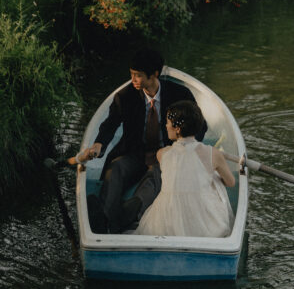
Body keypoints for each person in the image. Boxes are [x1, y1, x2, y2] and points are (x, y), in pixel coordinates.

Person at [78, 47, 203, 233]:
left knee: (155, 176)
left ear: (154, 74)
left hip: (166, 154)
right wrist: (98, 144)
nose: (133, 80)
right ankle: (105, 217)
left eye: (138, 75)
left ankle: (132, 213)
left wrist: (185, 150)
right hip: (134, 153)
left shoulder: (180, 95)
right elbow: (111, 123)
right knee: (116, 168)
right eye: (131, 74)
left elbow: (200, 126)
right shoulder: (125, 96)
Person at [136, 100, 235, 238]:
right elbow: (230, 182)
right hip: (203, 224)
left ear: (177, 129)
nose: (165, 125)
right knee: (214, 177)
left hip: (165, 221)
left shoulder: (162, 154)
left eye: (167, 122)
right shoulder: (213, 153)